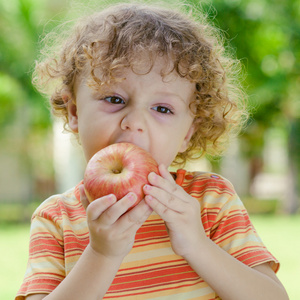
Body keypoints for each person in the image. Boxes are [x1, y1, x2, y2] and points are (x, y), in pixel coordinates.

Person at [16, 2, 289, 300]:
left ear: (188, 132)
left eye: (162, 108)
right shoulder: (57, 219)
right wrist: (102, 254)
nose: (134, 122)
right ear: (74, 113)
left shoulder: (211, 203)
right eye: (114, 99)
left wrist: (197, 244)